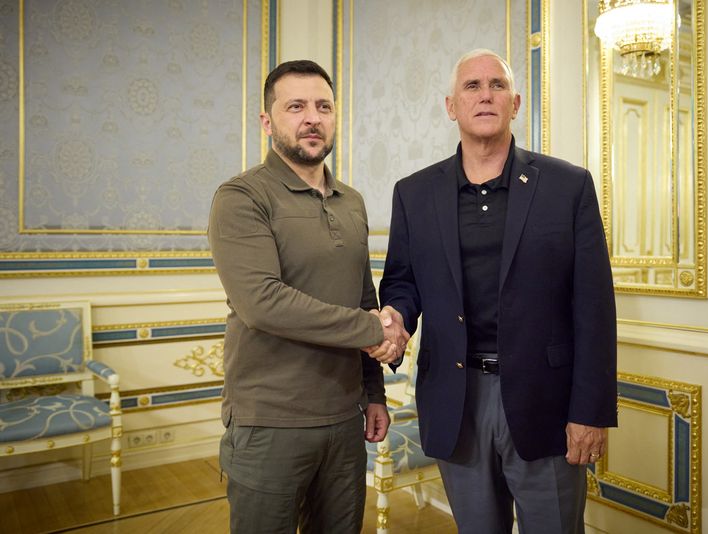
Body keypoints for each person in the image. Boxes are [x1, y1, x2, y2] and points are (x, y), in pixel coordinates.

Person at [377, 49, 617, 533]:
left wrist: (589, 412)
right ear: (451, 106)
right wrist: (396, 317)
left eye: (497, 85)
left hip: (545, 402)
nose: (485, 95)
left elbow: (594, 306)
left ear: (516, 102)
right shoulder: (414, 193)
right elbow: (403, 280)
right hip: (456, 398)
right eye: (472, 86)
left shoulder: (568, 186)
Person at [208, 59, 407, 534]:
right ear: (268, 121)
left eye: (323, 106)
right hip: (268, 423)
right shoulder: (241, 196)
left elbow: (363, 297)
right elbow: (262, 301)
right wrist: (373, 330)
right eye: (295, 106)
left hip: (343, 420)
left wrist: (373, 392)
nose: (311, 118)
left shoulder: (352, 201)